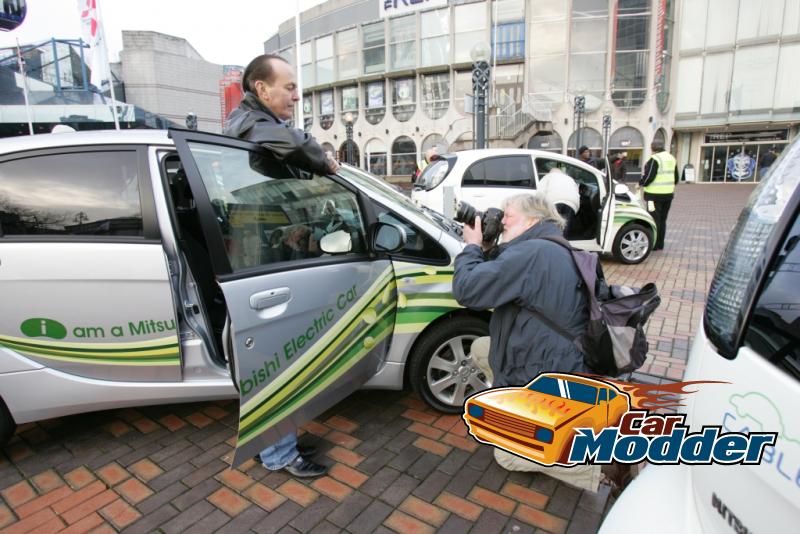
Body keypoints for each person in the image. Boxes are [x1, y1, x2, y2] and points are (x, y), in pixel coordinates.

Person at [453, 193, 611, 490]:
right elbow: (504, 279)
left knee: (506, 457)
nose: (501, 222)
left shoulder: (532, 253)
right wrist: (488, 248)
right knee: (480, 349)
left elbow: (468, 290)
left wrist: (471, 246)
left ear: (533, 219)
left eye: (508, 215)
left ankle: (595, 466)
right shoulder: (548, 246)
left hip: (546, 367)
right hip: (558, 357)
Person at [225, 53, 330, 478]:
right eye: (288, 86)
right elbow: (293, 145)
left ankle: (274, 445)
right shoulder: (253, 124)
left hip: (266, 247)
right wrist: (322, 159)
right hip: (261, 259)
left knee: (275, 355)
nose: (295, 94)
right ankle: (278, 454)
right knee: (275, 359)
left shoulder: (257, 124)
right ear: (261, 89)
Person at [224, 54, 338, 176]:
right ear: (262, 90)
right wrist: (324, 159)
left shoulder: (252, 122)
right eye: (290, 88)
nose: (297, 97)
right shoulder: (249, 123)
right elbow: (297, 145)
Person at [639, 140, 678, 251]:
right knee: (662, 219)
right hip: (668, 196)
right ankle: (660, 244)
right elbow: (676, 178)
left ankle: (654, 244)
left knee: (653, 219)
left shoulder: (655, 159)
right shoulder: (671, 158)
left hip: (653, 196)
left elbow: (649, 177)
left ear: (652, 149)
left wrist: (641, 183)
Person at [537, 163, 579, 237]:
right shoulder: (569, 178)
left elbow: (540, 191)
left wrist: (540, 207)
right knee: (565, 224)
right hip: (571, 203)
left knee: (553, 223)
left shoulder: (548, 176)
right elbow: (577, 190)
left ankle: (552, 240)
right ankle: (562, 241)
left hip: (554, 201)